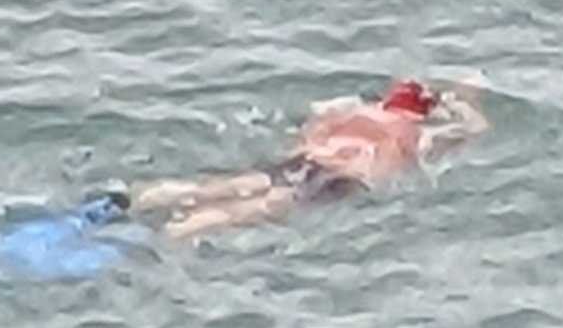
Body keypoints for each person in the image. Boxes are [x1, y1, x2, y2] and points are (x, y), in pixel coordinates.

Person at [126, 78, 486, 241]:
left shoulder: (351, 111)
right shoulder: (414, 131)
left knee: (235, 184)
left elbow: (308, 131)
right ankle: (176, 232)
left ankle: (143, 198)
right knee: (266, 206)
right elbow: (476, 129)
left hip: (306, 159)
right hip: (342, 177)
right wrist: (463, 102)